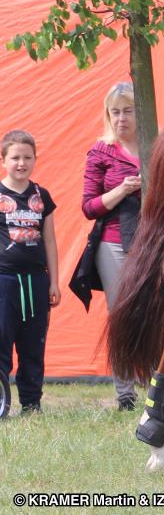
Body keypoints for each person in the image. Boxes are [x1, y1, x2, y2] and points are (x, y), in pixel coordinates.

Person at [80, 82, 142, 410]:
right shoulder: (101, 151)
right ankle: (125, 393)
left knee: (158, 313)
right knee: (120, 316)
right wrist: (122, 190)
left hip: (152, 243)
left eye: (128, 111)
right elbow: (88, 207)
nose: (121, 119)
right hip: (113, 244)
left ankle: (161, 384)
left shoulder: (156, 145)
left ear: (140, 112)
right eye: (115, 112)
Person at [0, 130, 59, 415]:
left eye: (27, 157)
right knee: (2, 341)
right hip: (4, 281)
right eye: (15, 158)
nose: (21, 163)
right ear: (3, 161)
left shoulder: (41, 196)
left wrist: (54, 282)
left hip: (36, 280)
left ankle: (32, 403)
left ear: (35, 159)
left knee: (33, 343)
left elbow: (50, 241)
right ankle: (2, 403)